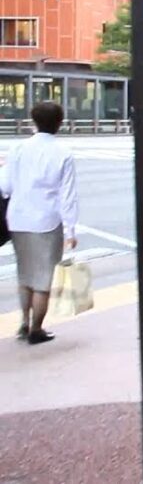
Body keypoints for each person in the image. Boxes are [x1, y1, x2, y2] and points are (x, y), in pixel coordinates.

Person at [0, 102, 79, 345]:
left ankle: (24, 323)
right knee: (42, 279)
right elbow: (67, 196)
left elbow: (5, 187)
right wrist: (71, 230)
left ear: (33, 121)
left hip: (17, 218)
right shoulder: (63, 153)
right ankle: (37, 330)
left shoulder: (18, 148)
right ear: (60, 122)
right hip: (47, 221)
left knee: (25, 274)